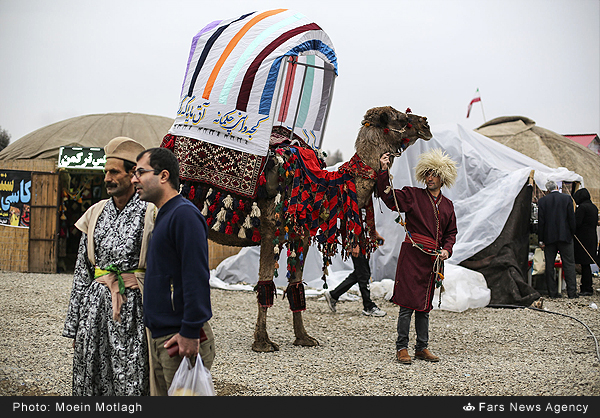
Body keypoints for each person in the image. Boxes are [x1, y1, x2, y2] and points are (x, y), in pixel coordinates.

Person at [63, 136, 155, 395]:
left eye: (114, 172)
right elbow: (82, 271)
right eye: (106, 172)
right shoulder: (94, 212)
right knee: (90, 374)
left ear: (132, 174)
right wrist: (75, 325)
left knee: (131, 377)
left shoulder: (150, 212)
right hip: (94, 310)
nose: (107, 178)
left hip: (133, 310)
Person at [132, 147, 215, 396]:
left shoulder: (184, 215)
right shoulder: (165, 215)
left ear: (164, 176)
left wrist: (190, 331)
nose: (134, 179)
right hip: (164, 337)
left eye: (140, 172)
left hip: (180, 338)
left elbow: (196, 275)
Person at [377, 148, 458, 365]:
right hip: (412, 254)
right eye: (428, 174)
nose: (430, 178)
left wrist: (447, 249)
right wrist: (384, 171)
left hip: (433, 260)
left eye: (435, 174)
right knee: (407, 304)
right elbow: (389, 198)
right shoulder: (412, 195)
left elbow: (451, 233)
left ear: (443, 177)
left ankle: (422, 347)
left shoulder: (448, 206)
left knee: (425, 304)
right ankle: (401, 348)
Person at [324, 229, 387, 317]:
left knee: (360, 273)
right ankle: (368, 306)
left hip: (362, 241)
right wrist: (354, 243)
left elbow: (365, 221)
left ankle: (334, 294)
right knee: (363, 274)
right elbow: (351, 221)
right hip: (357, 242)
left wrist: (375, 234)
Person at [537, 180, 578, 299]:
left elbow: (541, 222)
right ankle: (572, 292)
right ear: (557, 187)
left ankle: (552, 292)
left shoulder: (543, 201)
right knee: (569, 264)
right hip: (565, 236)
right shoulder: (566, 199)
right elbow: (571, 218)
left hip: (549, 238)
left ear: (548, 190)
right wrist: (572, 233)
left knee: (550, 265)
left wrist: (541, 240)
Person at [573, 188, 598, 296]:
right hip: (592, 238)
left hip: (583, 238)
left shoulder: (582, 208)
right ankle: (587, 286)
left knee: (584, 264)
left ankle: (586, 288)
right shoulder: (593, 207)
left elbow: (577, 223)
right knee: (586, 263)